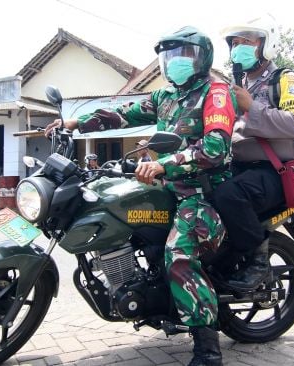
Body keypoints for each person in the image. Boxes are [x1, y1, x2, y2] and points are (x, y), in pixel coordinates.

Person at [45, 26, 237, 366]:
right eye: (168, 56)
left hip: (201, 191)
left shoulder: (216, 92)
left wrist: (165, 164)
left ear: (201, 57)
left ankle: (208, 349)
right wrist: (76, 124)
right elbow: (124, 114)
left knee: (179, 256)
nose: (173, 63)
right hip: (166, 187)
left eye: (182, 55)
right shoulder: (166, 96)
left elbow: (216, 148)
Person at [212, 14, 294, 290]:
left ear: (265, 44)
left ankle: (258, 262)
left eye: (246, 41)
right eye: (234, 42)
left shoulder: (286, 79)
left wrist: (250, 107)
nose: (238, 47)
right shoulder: (239, 85)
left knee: (229, 194)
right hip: (242, 168)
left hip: (276, 170)